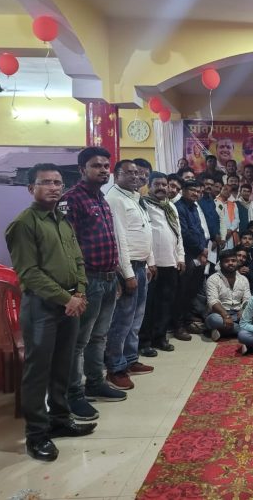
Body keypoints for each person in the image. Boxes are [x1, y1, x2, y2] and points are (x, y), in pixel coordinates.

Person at [6, 163, 95, 461]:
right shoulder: (24, 224)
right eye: (46, 182)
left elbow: (78, 260)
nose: (54, 187)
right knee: (38, 371)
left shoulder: (62, 220)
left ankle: (60, 419)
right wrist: (65, 298)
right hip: (42, 307)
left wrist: (79, 291)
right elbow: (28, 273)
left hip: (70, 304)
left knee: (62, 366)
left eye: (57, 182)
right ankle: (36, 435)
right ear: (31, 188)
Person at [60, 148, 125, 421]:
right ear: (81, 169)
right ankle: (74, 395)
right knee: (78, 341)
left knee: (99, 336)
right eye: (96, 165)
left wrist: (117, 275)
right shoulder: (71, 199)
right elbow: (67, 245)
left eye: (106, 165)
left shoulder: (101, 199)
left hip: (108, 278)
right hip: (88, 280)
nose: (103, 170)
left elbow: (110, 241)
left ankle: (95, 383)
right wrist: (79, 286)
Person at [104, 160, 156, 390]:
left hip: (141, 266)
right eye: (130, 173)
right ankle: (115, 367)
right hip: (128, 268)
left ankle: (130, 359)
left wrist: (150, 262)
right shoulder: (115, 199)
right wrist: (127, 274)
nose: (136, 176)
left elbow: (145, 231)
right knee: (122, 320)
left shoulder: (134, 197)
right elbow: (119, 239)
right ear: (117, 175)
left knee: (136, 318)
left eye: (138, 173)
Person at [140, 172, 185, 356]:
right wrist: (149, 262)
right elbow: (144, 235)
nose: (161, 188)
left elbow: (178, 233)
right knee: (149, 305)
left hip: (171, 263)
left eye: (164, 184)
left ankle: (160, 337)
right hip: (153, 265)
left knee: (166, 304)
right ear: (149, 186)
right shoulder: (143, 204)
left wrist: (181, 257)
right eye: (157, 184)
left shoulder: (170, 206)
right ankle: (145, 341)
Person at [174, 179, 209, 342]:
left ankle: (188, 321)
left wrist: (203, 250)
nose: (196, 193)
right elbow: (185, 233)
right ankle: (178, 326)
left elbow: (199, 230)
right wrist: (200, 250)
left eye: (198, 191)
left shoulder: (194, 207)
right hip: (186, 254)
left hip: (198, 254)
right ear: (183, 191)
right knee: (182, 292)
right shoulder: (179, 207)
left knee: (192, 292)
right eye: (192, 190)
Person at [205, 249, 251, 340]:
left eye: (233, 260)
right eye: (226, 261)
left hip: (238, 314)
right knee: (213, 319)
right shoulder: (213, 279)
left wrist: (243, 310)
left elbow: (247, 299)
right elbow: (213, 301)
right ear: (220, 263)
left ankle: (222, 331)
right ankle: (247, 330)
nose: (230, 263)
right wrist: (225, 316)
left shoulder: (243, 279)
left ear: (237, 262)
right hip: (220, 315)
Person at [216, 183, 240, 250]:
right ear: (221, 189)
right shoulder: (215, 202)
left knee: (230, 253)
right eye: (225, 189)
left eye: (230, 191)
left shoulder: (233, 204)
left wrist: (231, 229)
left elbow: (237, 220)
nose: (227, 192)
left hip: (230, 235)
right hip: (218, 234)